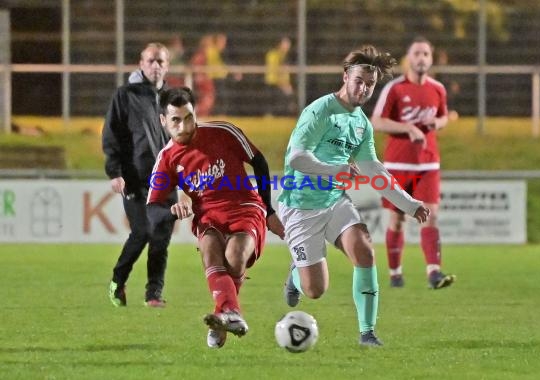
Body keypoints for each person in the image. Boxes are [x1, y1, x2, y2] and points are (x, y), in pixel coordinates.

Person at [278, 45, 431, 347]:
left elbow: (374, 170)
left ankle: (367, 333)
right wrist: (335, 171)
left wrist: (409, 204)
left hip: (334, 201)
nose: (363, 88)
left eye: (370, 84)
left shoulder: (361, 124)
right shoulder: (320, 111)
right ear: (345, 76)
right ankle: (296, 275)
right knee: (315, 290)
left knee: (364, 249)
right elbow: (296, 158)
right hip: (300, 206)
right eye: (359, 80)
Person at [146, 87, 284, 349]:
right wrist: (171, 211)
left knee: (235, 255)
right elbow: (152, 209)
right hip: (208, 214)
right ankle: (230, 313)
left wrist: (269, 210)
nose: (184, 126)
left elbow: (260, 162)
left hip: (245, 206)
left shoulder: (223, 132)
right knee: (210, 250)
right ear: (163, 120)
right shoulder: (166, 158)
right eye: (176, 120)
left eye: (189, 117)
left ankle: (226, 311)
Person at [370, 36, 456, 290]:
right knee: (397, 220)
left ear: (430, 59)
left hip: (428, 164)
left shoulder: (437, 89)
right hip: (398, 164)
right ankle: (395, 273)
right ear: (409, 59)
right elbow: (377, 121)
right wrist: (407, 128)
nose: (421, 58)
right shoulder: (395, 89)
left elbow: (442, 117)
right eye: (417, 54)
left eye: (426, 54)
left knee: (431, 217)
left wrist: (438, 123)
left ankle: (434, 272)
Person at [102, 42, 177, 308]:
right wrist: (115, 171)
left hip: (166, 180)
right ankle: (117, 280)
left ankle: (153, 295)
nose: (155, 66)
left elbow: (184, 140)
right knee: (143, 231)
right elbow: (112, 135)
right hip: (135, 178)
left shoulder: (173, 99)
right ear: (141, 63)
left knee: (161, 238)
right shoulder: (125, 95)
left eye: (161, 62)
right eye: (151, 61)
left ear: (167, 66)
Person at [206, 33, 242, 115]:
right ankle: (219, 115)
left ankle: (220, 115)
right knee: (222, 98)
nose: (224, 43)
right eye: (222, 41)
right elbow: (226, 63)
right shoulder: (215, 51)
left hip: (220, 77)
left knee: (222, 98)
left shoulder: (216, 50)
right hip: (217, 77)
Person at [264, 36, 296, 116]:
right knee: (275, 103)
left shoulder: (283, 55)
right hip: (274, 82)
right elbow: (275, 71)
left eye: (288, 44)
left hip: (281, 83)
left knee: (284, 101)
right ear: (280, 44)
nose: (287, 47)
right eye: (286, 44)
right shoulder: (274, 54)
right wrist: (282, 84)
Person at [189, 34, 216, 118]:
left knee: (207, 100)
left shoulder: (205, 55)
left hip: (205, 82)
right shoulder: (200, 55)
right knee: (206, 101)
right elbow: (193, 65)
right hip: (203, 82)